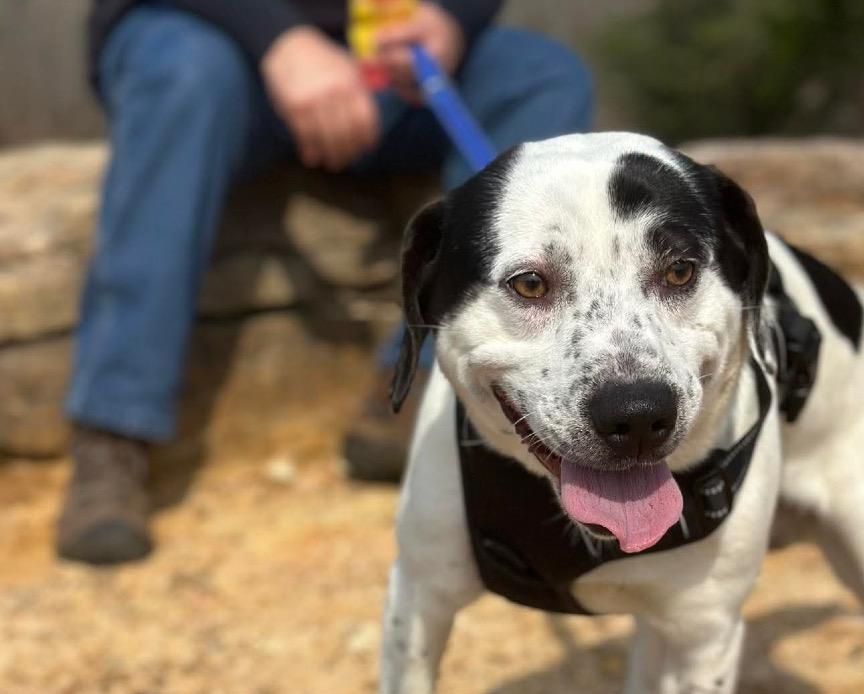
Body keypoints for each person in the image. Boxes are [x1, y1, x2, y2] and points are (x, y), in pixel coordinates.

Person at [58, 0, 593, 565]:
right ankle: (113, 429)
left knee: (544, 77)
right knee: (181, 72)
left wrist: (450, 19)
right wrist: (279, 40)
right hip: (214, 50)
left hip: (392, 68)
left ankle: (430, 389)